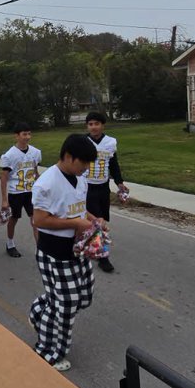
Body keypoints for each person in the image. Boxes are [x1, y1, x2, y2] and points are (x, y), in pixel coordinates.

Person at [29, 134, 100, 372]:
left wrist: (93, 220)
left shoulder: (80, 178)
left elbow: (79, 208)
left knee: (84, 297)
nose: (86, 168)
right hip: (55, 253)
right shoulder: (46, 183)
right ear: (69, 157)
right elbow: (39, 220)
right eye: (84, 163)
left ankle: (40, 311)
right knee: (66, 304)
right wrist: (75, 224)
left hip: (79, 250)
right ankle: (48, 351)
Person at [84, 112, 128, 273]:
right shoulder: (83, 142)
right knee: (98, 221)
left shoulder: (110, 143)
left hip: (103, 186)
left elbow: (113, 164)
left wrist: (119, 182)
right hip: (86, 186)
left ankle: (88, 244)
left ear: (103, 125)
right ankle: (102, 256)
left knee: (99, 219)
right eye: (90, 124)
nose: (93, 127)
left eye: (96, 123)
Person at [0, 123, 43, 258]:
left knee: (35, 220)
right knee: (14, 218)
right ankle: (10, 243)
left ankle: (40, 249)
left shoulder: (35, 152)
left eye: (29, 134)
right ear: (16, 136)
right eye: (24, 134)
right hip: (16, 192)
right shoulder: (9, 155)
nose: (27, 137)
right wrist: (4, 200)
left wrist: (41, 187)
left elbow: (35, 172)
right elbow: (4, 177)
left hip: (30, 191)